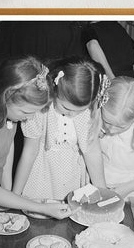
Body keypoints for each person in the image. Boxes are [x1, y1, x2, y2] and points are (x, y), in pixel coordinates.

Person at [0, 56, 73, 219]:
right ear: (5, 97)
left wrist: (10, 193)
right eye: (26, 112)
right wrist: (41, 208)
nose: (30, 118)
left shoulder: (10, 116)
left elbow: (7, 149)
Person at [13, 57, 107, 200]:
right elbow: (29, 152)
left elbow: (92, 153)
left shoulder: (89, 113)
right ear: (56, 88)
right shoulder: (40, 109)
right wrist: (15, 195)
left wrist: (103, 191)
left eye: (79, 111)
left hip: (72, 178)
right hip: (41, 176)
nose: (72, 115)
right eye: (66, 108)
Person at [99, 76, 134, 234]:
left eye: (119, 126)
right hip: (102, 187)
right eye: (107, 121)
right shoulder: (97, 121)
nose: (110, 130)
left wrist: (128, 188)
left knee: (133, 236)